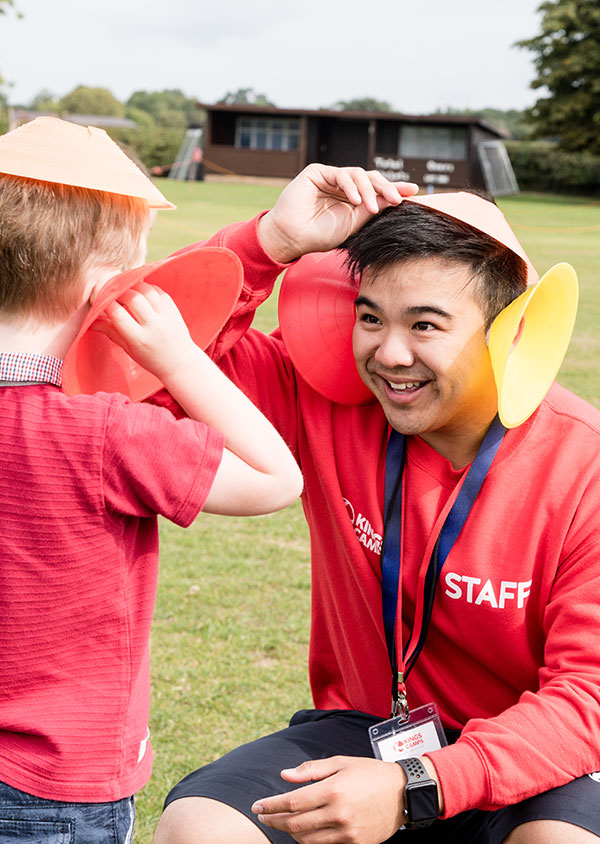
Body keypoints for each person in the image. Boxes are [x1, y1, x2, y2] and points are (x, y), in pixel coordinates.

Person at [153, 163, 600, 844]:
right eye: (370, 317)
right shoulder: (325, 400)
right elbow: (144, 368)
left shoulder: (584, 464)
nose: (389, 354)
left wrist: (420, 786)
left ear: (508, 329)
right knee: (199, 828)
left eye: (425, 325)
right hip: (369, 731)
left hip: (532, 757)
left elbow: (586, 698)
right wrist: (267, 240)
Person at [0, 116, 302, 844]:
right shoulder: (106, 433)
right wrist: (179, 362)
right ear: (110, 290)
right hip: (58, 788)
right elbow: (275, 478)